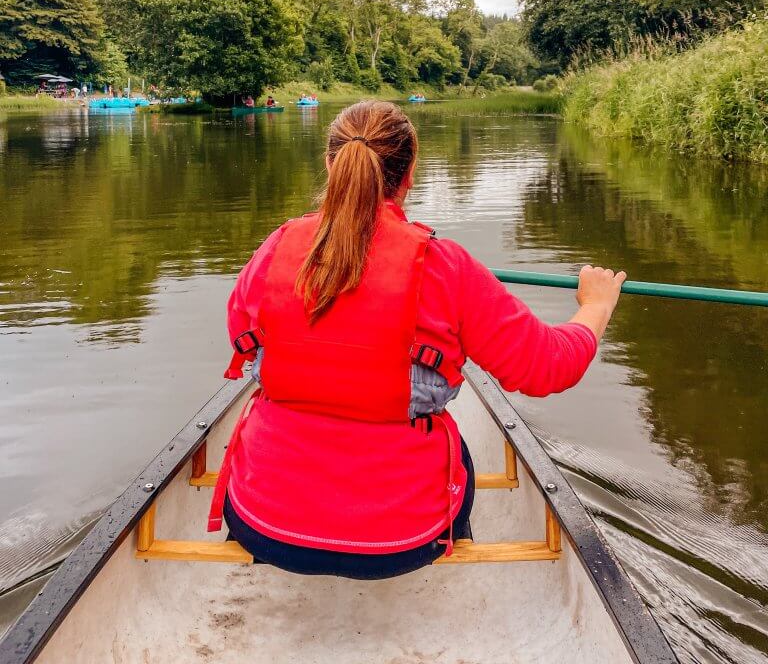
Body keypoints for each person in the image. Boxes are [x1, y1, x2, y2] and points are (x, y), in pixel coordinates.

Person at [213, 100, 625, 580]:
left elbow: (239, 335)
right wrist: (596, 305)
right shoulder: (445, 266)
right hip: (405, 540)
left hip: (263, 524)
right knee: (459, 451)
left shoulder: (276, 249)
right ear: (409, 174)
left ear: (330, 164)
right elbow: (550, 366)